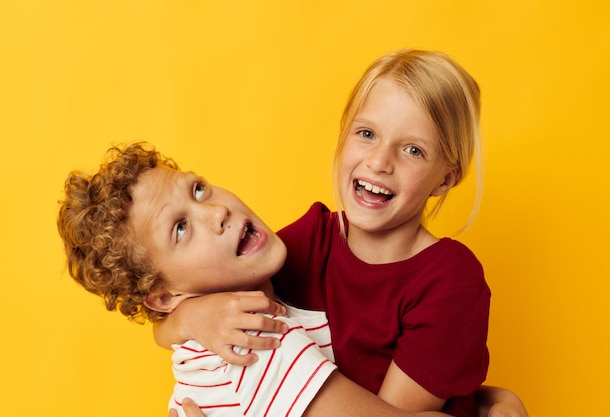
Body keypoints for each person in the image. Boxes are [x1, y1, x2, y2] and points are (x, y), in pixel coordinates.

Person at [154, 49, 527, 417]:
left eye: (413, 150)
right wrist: (196, 317)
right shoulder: (310, 240)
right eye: (366, 133)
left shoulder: (450, 283)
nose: (379, 162)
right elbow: (169, 319)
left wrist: (484, 401)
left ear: (445, 178)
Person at [57, 142, 455, 417]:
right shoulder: (252, 343)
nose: (215, 212)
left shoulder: (235, 322)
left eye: (197, 190)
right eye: (180, 229)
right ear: (163, 296)